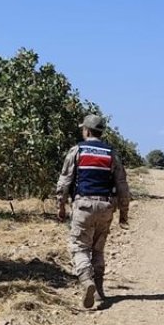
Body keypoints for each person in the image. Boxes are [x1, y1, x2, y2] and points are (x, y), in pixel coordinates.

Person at [54, 114, 131, 308]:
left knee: (79, 247)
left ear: (86, 131)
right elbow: (122, 185)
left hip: (83, 206)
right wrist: (123, 212)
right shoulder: (111, 153)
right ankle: (99, 289)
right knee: (98, 249)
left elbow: (65, 181)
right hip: (106, 207)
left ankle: (87, 280)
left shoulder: (77, 150)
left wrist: (61, 205)